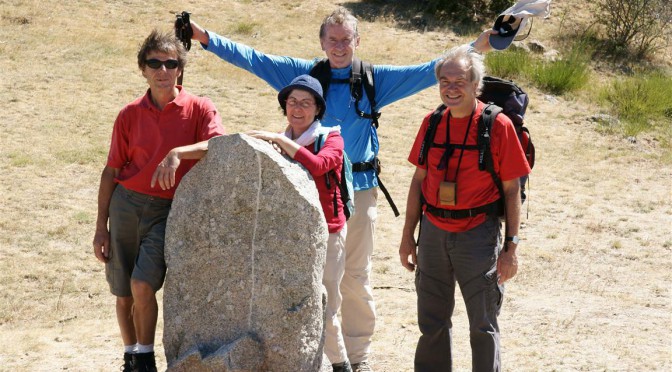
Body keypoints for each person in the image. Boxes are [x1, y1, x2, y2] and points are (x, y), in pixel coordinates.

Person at [184, 8, 495, 371]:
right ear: (321, 42)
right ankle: (317, 354)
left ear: (357, 41)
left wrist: (478, 45)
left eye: (346, 39)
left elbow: (430, 70)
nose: (339, 46)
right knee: (305, 277)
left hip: (359, 193)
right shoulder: (303, 76)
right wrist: (205, 37)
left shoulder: (374, 80)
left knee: (354, 277)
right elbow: (254, 59)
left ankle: (356, 358)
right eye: (332, 39)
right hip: (305, 191)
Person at [92, 29, 225, 372]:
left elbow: (218, 146)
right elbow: (111, 171)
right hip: (126, 205)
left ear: (180, 69)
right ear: (143, 69)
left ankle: (147, 358)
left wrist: (177, 153)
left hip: (171, 210)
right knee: (122, 293)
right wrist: (100, 227)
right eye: (154, 63)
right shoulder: (129, 114)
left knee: (142, 283)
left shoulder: (199, 108)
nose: (162, 70)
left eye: (170, 63)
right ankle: (131, 356)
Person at [398, 45, 531, 371]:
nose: (451, 87)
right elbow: (419, 181)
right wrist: (407, 236)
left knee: (483, 325)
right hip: (432, 233)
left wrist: (511, 248)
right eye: (445, 81)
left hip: (478, 234)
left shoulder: (498, 126)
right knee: (431, 322)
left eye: (460, 81)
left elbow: (512, 188)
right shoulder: (431, 122)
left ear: (476, 84)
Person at [247, 75, 353, 372]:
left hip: (329, 233)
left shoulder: (331, 137)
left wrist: (280, 141)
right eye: (292, 102)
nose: (297, 108)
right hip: (291, 236)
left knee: (327, 307)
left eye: (306, 103)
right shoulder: (279, 141)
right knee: (295, 307)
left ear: (317, 109)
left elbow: (320, 165)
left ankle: (341, 365)